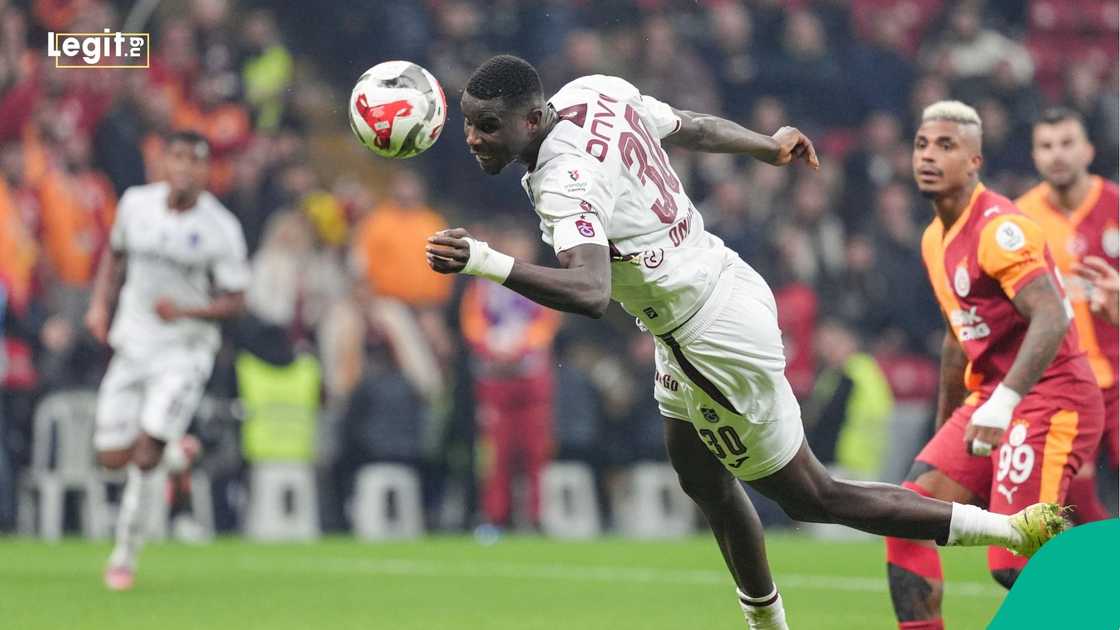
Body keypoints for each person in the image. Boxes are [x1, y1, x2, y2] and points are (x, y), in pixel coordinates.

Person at [421, 55, 1066, 630]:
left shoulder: (565, 182)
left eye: (488, 127)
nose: (472, 138)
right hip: (715, 284)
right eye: (471, 123)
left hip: (709, 339)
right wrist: (765, 146)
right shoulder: (595, 91)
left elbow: (589, 292)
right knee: (697, 470)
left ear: (532, 119)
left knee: (812, 496)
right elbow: (689, 126)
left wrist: (482, 260)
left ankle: (1013, 529)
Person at [885, 101, 1105, 630]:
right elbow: (957, 340)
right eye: (921, 145)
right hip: (991, 400)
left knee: (1015, 565)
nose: (928, 157)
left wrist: (1003, 404)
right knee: (907, 513)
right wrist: (945, 434)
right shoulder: (934, 239)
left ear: (975, 160)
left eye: (946, 146)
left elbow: (1051, 316)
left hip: (1053, 398)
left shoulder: (1001, 229)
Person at [85, 131, 249, 591]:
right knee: (111, 457)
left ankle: (124, 555)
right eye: (177, 157)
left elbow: (236, 300)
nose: (184, 168)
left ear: (206, 171)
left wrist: (187, 312)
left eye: (195, 161)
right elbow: (113, 258)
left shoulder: (221, 228)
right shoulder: (135, 204)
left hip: (185, 350)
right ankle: (178, 456)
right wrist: (100, 306)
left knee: (144, 454)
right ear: (162, 162)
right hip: (133, 343)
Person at [1016, 107, 1119, 523]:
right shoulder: (1019, 219)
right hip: (1063, 381)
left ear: (1088, 150)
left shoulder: (1116, 205)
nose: (1057, 154)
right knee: (1073, 497)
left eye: (1066, 143)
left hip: (1119, 375)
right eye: (1046, 146)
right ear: (1035, 156)